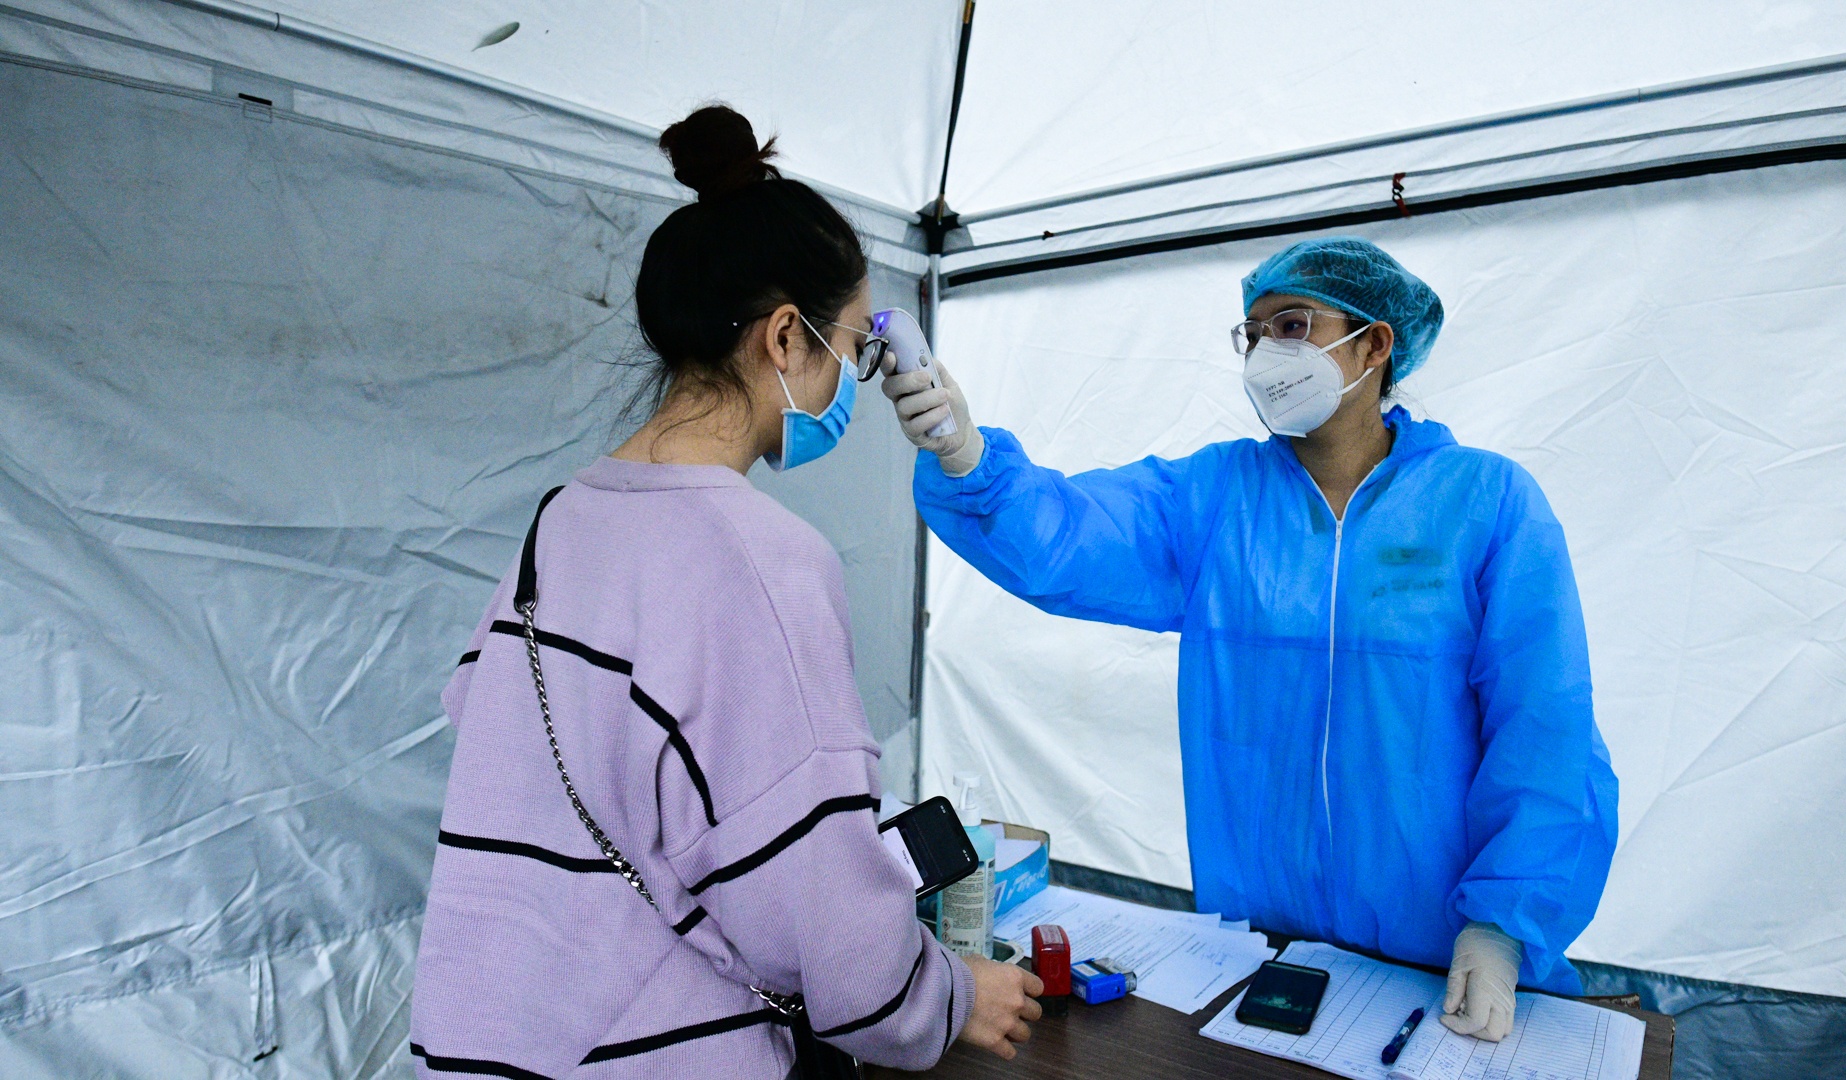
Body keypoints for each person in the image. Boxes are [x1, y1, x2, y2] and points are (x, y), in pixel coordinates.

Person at [410, 105, 1042, 1080]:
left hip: (492, 1047)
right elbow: (849, 958)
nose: (852, 383)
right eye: (852, 349)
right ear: (785, 337)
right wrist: (953, 994)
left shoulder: (560, 522)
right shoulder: (761, 558)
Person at [882, 237, 1619, 1042]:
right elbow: (1070, 537)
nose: (1268, 353)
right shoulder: (1215, 499)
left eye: (1294, 325)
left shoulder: (1485, 502)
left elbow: (1545, 724)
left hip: (1443, 963)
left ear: (1375, 344)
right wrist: (968, 459)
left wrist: (1504, 921)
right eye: (1254, 333)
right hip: (1266, 956)